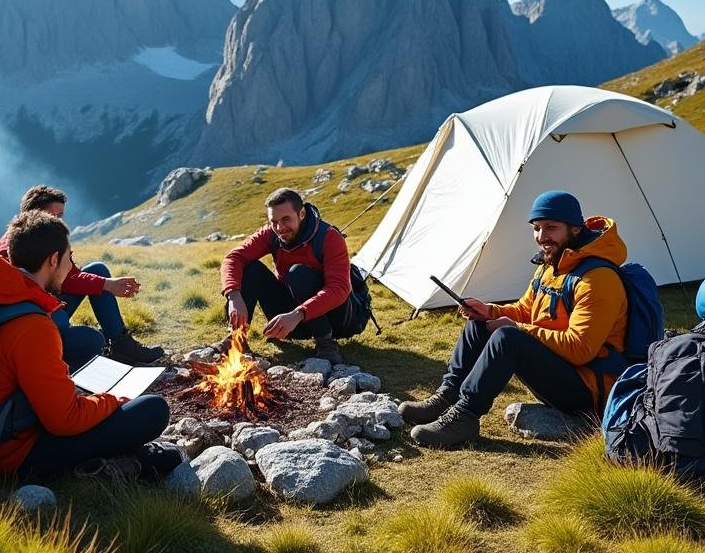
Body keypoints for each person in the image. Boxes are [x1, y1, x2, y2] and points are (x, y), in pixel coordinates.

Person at [0, 210, 180, 479]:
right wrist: (113, 400)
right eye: (69, 258)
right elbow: (65, 421)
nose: (71, 268)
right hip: (14, 452)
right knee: (152, 410)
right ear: (53, 260)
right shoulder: (33, 325)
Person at [401, 190, 629, 448]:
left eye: (551, 227)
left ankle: (465, 417)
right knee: (480, 324)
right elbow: (526, 310)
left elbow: (580, 348)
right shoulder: (553, 264)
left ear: (575, 228)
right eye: (537, 228)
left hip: (589, 391)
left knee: (509, 338)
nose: (542, 237)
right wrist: (489, 311)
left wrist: (517, 328)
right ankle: (447, 397)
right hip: (561, 369)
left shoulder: (598, 279)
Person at [0, 185, 164, 365]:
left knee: (97, 270)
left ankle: (120, 344)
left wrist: (104, 282)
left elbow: (71, 274)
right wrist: (106, 284)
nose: (58, 222)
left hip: (49, 303)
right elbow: (67, 281)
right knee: (90, 336)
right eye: (52, 216)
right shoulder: (16, 245)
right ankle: (107, 345)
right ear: (34, 215)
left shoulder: (44, 237)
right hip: (35, 316)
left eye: (60, 216)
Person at [219, 187, 353, 365]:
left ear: (302, 214)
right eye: (274, 221)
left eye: (286, 219)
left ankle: (327, 346)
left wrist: (298, 314)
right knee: (250, 268)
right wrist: (234, 296)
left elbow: (339, 288)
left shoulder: (329, 237)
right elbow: (233, 258)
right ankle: (236, 340)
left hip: (331, 319)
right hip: (289, 320)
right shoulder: (270, 234)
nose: (279, 228)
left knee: (298, 273)